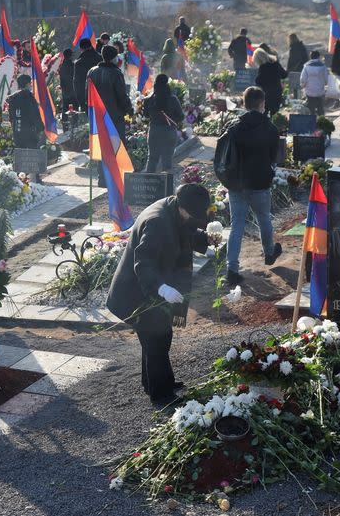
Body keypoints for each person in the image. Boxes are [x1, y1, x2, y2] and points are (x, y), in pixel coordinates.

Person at [106, 184, 213, 405]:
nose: (194, 219)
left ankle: (155, 382)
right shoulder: (157, 222)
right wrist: (162, 288)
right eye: (193, 215)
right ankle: (161, 395)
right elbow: (143, 264)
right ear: (183, 208)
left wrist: (206, 239)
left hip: (150, 289)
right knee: (155, 338)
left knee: (158, 336)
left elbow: (184, 230)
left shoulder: (174, 207)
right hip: (136, 292)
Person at [224, 86, 282, 286]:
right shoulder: (271, 129)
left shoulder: (234, 127)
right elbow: (275, 157)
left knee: (236, 226)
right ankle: (269, 252)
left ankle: (231, 268)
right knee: (264, 218)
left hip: (237, 184)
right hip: (259, 183)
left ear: (245, 103)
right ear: (262, 104)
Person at [89, 45, 134, 143]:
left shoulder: (92, 72)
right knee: (116, 147)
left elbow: (87, 96)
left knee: (102, 145)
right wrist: (129, 109)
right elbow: (122, 95)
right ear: (114, 58)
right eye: (116, 56)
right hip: (114, 117)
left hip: (97, 116)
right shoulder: (116, 73)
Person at [143, 74, 184, 173]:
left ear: (155, 84)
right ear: (167, 84)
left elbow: (146, 115)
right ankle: (166, 187)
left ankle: (149, 185)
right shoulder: (173, 99)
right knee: (167, 160)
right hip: (169, 132)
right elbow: (181, 116)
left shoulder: (149, 99)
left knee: (152, 159)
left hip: (154, 131)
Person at [7, 74, 44, 149]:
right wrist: (40, 127)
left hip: (17, 130)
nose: (31, 85)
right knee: (31, 154)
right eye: (30, 83)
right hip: (29, 131)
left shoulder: (12, 97)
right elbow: (34, 114)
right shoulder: (29, 96)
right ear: (27, 84)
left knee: (20, 152)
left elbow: (11, 116)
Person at [253, 48, 288, 116]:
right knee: (274, 114)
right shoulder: (276, 64)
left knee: (264, 114)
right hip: (277, 92)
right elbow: (284, 75)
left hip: (267, 94)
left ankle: (264, 126)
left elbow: (258, 81)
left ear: (258, 59)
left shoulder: (263, 67)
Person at [73, 38, 101, 111]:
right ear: (91, 45)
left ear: (81, 48)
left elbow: (77, 84)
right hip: (102, 96)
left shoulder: (78, 63)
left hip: (87, 98)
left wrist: (81, 102)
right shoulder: (100, 58)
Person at [300, 50, 329, 116]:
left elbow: (303, 79)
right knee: (320, 108)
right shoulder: (323, 66)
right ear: (318, 57)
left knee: (311, 108)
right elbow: (326, 79)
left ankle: (311, 121)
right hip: (320, 91)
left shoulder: (306, 66)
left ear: (311, 57)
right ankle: (321, 120)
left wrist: (303, 85)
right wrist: (325, 84)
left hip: (309, 91)